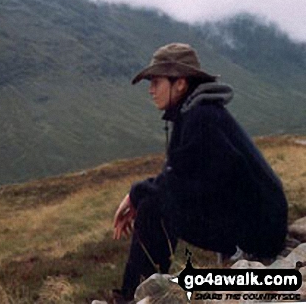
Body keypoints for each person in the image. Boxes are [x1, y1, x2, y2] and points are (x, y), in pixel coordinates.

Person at [112, 43, 288, 302]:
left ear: (180, 83)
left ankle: (135, 295)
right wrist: (138, 194)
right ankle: (141, 290)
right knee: (155, 199)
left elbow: (181, 183)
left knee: (154, 205)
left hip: (259, 234)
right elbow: (179, 175)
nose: (150, 90)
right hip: (259, 225)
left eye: (156, 81)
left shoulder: (202, 118)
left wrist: (137, 195)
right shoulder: (196, 113)